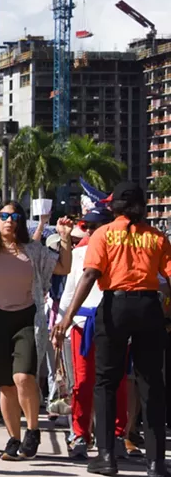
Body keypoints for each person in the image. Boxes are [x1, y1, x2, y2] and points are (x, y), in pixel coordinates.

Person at [53, 182, 171, 477]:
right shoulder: (157, 237)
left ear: (114, 206)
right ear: (143, 205)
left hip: (114, 307)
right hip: (148, 306)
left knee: (105, 381)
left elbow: (90, 274)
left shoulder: (103, 234)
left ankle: (106, 458)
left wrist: (67, 316)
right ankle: (156, 463)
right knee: (151, 383)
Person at [0, 201, 72, 461]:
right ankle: (13, 437)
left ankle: (32, 430)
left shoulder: (33, 250)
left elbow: (64, 268)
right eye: (4, 215)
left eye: (15, 215)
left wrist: (64, 240)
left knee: (23, 377)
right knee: (5, 384)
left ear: (21, 220)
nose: (9, 220)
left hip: (27, 318)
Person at [56, 208, 135, 460]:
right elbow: (68, 293)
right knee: (82, 383)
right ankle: (80, 435)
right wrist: (60, 324)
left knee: (118, 382)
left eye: (96, 226)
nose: (91, 231)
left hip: (115, 323)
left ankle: (118, 435)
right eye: (87, 226)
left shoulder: (123, 252)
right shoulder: (78, 255)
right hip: (83, 324)